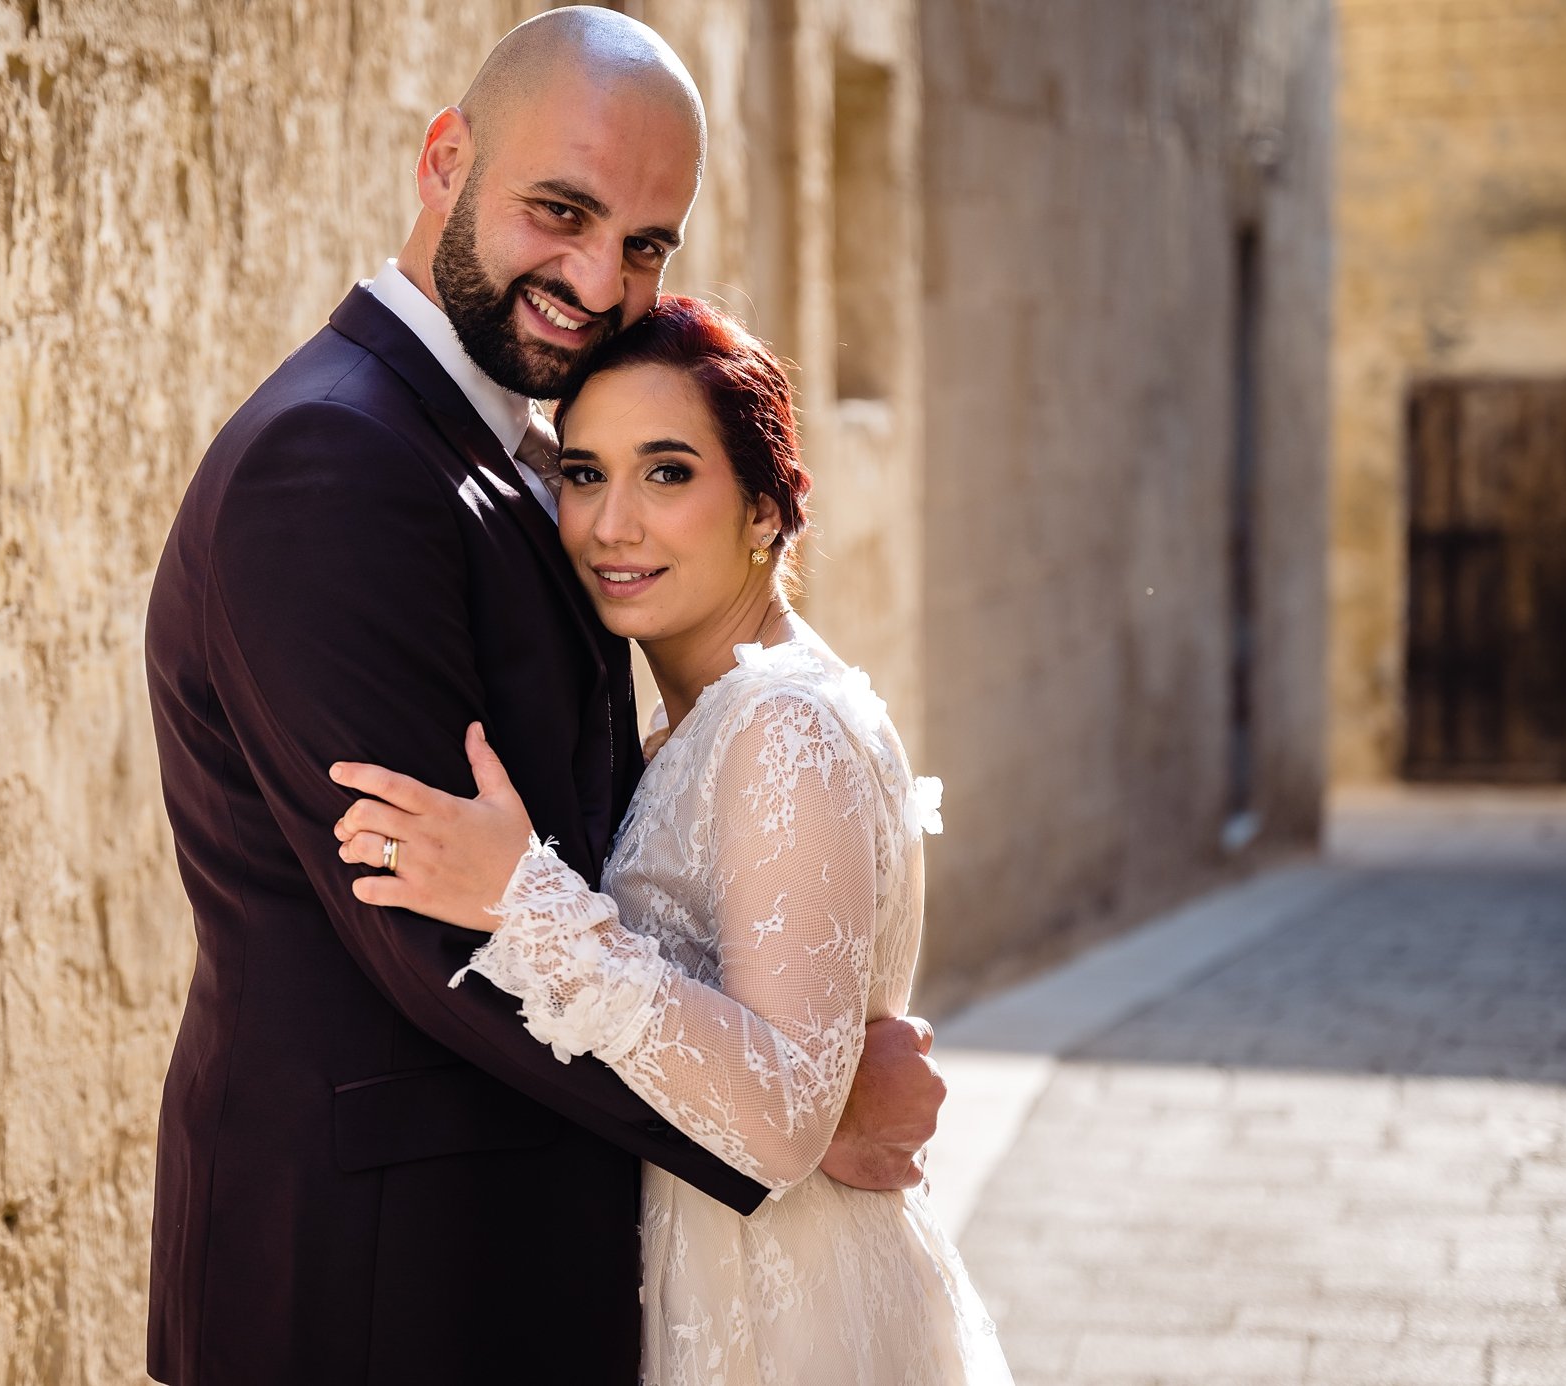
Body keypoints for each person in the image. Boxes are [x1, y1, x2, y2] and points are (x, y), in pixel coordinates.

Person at [141, 9, 949, 1384]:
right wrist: (796, 1113)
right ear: (444, 159)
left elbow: (569, 862)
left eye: (643, 244)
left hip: (493, 1272)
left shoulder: (510, 450)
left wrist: (791, 1073)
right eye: (559, 210)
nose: (595, 277)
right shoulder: (331, 465)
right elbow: (428, 932)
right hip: (376, 1287)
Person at [331, 296, 1015, 1385]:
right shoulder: (697, 724)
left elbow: (785, 1117)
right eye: (585, 474)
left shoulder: (779, 725)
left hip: (782, 1312)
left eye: (666, 473)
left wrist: (525, 902)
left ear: (762, 508)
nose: (612, 524)